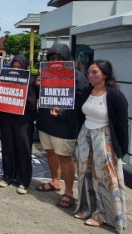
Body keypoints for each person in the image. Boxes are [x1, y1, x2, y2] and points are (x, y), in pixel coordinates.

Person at [69, 60, 129, 231]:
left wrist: (121, 149)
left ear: (105, 74)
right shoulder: (88, 91)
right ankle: (87, 208)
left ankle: (105, 215)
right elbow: (79, 113)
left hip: (104, 138)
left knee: (104, 178)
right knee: (84, 174)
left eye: (95, 72)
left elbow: (122, 125)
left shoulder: (115, 96)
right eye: (89, 72)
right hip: (85, 135)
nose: (90, 75)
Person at [35, 44, 88, 208]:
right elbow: (41, 97)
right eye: (52, 59)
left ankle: (69, 192)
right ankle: (55, 182)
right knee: (50, 153)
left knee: (65, 157)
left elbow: (81, 104)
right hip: (46, 122)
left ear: (67, 59)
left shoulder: (78, 78)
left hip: (65, 126)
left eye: (59, 58)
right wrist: (37, 86)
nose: (55, 61)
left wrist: (63, 112)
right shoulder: (45, 75)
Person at [0, 55, 37, 194]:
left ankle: (23, 181)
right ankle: (8, 176)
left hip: (23, 121)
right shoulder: (4, 80)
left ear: (24, 68)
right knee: (7, 147)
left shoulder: (31, 81)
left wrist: (19, 98)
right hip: (7, 119)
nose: (15, 69)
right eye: (13, 66)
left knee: (23, 149)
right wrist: (0, 87)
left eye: (19, 67)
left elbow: (32, 104)